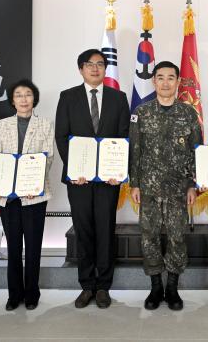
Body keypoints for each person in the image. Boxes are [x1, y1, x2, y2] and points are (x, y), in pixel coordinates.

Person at [55, 49, 130, 309]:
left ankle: (103, 287)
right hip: (80, 180)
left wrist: (117, 170)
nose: (95, 69)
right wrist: (75, 170)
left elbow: (123, 136)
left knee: (105, 230)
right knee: (84, 230)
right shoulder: (68, 97)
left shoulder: (119, 98)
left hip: (108, 180)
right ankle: (86, 285)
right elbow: (61, 136)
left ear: (105, 69)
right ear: (81, 69)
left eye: (100, 64)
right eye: (90, 65)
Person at [129, 61, 202, 311]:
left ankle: (172, 288)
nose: (166, 82)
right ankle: (155, 288)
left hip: (179, 190)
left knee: (177, 237)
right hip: (148, 188)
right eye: (160, 77)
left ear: (178, 82)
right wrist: (134, 184)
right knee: (148, 237)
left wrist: (193, 184)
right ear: (153, 81)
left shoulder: (188, 113)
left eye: (171, 78)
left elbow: (196, 152)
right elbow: (135, 151)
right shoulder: (142, 112)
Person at [0, 80, 54, 311]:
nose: (24, 99)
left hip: (34, 195)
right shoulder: (2, 124)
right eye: (19, 95)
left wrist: (32, 180)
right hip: (8, 196)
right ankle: (13, 294)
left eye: (28, 94)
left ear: (34, 99)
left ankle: (32, 293)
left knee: (34, 245)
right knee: (14, 245)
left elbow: (49, 158)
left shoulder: (45, 124)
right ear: (12, 100)